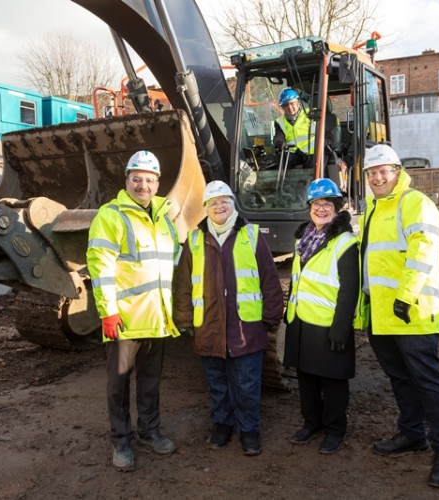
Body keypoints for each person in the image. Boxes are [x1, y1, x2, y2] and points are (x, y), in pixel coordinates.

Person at [355, 144, 439, 487]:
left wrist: (405, 297)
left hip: (412, 313)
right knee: (399, 378)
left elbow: (422, 251)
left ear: (398, 172)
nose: (377, 177)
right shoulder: (372, 208)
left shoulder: (414, 203)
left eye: (384, 171)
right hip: (382, 315)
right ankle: (412, 433)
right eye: (372, 173)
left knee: (428, 381)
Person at [86, 150, 181, 472]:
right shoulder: (110, 216)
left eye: (149, 180)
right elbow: (100, 268)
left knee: (151, 383)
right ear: (127, 180)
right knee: (119, 385)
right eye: (137, 179)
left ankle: (150, 432)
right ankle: (121, 441)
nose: (143, 185)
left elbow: (174, 261)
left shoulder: (165, 217)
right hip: (125, 319)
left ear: (157, 183)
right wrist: (108, 312)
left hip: (157, 317)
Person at [174, 181, 284, 456]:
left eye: (224, 201)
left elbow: (270, 280)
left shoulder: (251, 235)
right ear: (206, 208)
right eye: (213, 202)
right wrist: (186, 319)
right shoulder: (196, 240)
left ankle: (249, 429)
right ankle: (221, 425)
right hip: (208, 326)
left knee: (247, 384)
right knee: (217, 384)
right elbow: (183, 284)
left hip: (245, 327)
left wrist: (272, 315)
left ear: (233, 203)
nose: (219, 206)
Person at [283, 178, 360, 455]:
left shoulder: (344, 242)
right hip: (302, 320)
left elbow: (350, 288)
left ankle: (334, 429)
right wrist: (288, 312)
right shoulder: (302, 238)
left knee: (333, 381)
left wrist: (341, 328)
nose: (322, 209)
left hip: (329, 325)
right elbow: (297, 278)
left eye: (328, 204)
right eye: (317, 204)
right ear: (309, 207)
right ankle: (311, 422)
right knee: (306, 378)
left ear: (337, 207)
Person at [273, 88, 313, 169]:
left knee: (313, 164)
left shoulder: (311, 114)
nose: (289, 107)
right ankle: (285, 182)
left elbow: (324, 131)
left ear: (298, 103)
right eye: (286, 105)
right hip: (295, 153)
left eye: (292, 103)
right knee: (283, 158)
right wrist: (279, 142)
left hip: (312, 152)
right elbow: (279, 136)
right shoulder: (279, 121)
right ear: (282, 108)